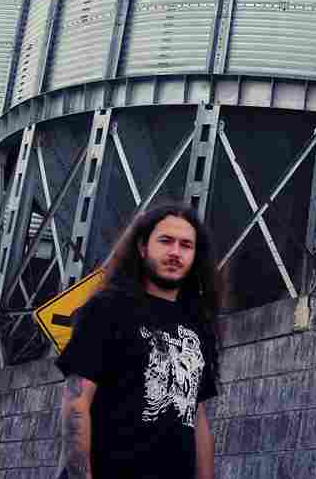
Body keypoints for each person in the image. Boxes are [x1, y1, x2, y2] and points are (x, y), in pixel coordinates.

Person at [57, 201, 225, 479]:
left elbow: (196, 414)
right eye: (165, 241)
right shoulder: (108, 309)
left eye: (186, 245)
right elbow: (77, 400)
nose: (175, 252)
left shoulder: (198, 326)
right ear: (142, 247)